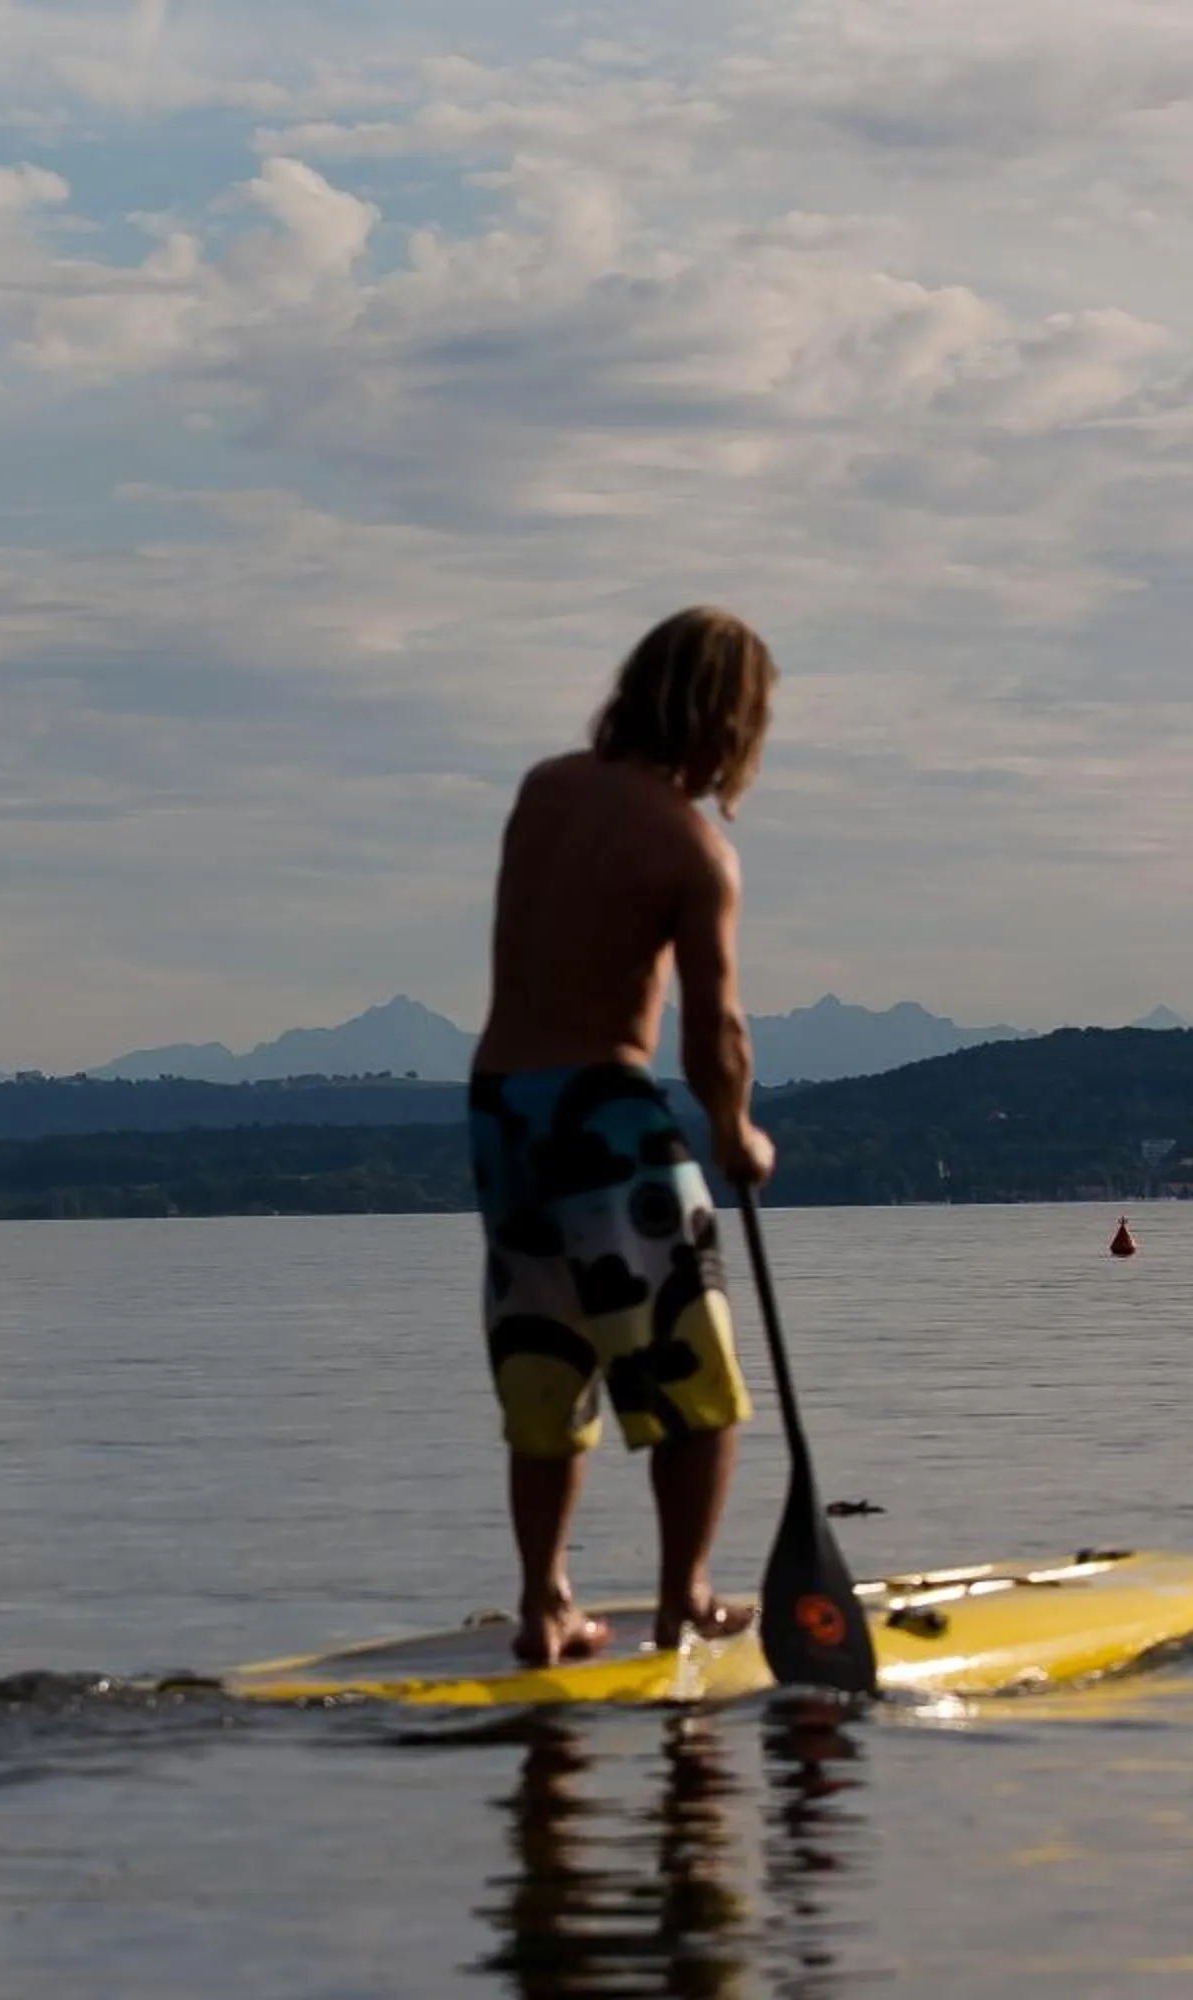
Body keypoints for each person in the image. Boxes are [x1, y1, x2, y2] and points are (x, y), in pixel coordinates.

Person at [469, 606, 778, 1666]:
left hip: (503, 1109)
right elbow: (715, 1028)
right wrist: (737, 1132)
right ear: (729, 721)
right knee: (696, 1376)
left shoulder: (543, 791)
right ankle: (684, 1595)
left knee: (545, 1361)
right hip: (607, 1112)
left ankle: (544, 1602)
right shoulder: (696, 848)